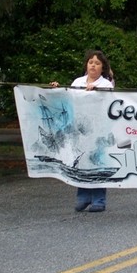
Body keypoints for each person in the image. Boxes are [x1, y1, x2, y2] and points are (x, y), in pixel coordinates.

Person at [51, 50, 114, 212]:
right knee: (80, 162)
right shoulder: (78, 81)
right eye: (91, 62)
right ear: (86, 65)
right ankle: (83, 196)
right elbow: (68, 98)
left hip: (98, 129)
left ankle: (99, 199)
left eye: (97, 63)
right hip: (79, 129)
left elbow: (108, 103)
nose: (93, 65)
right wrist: (58, 89)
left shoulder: (105, 84)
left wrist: (96, 91)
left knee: (96, 163)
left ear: (103, 68)